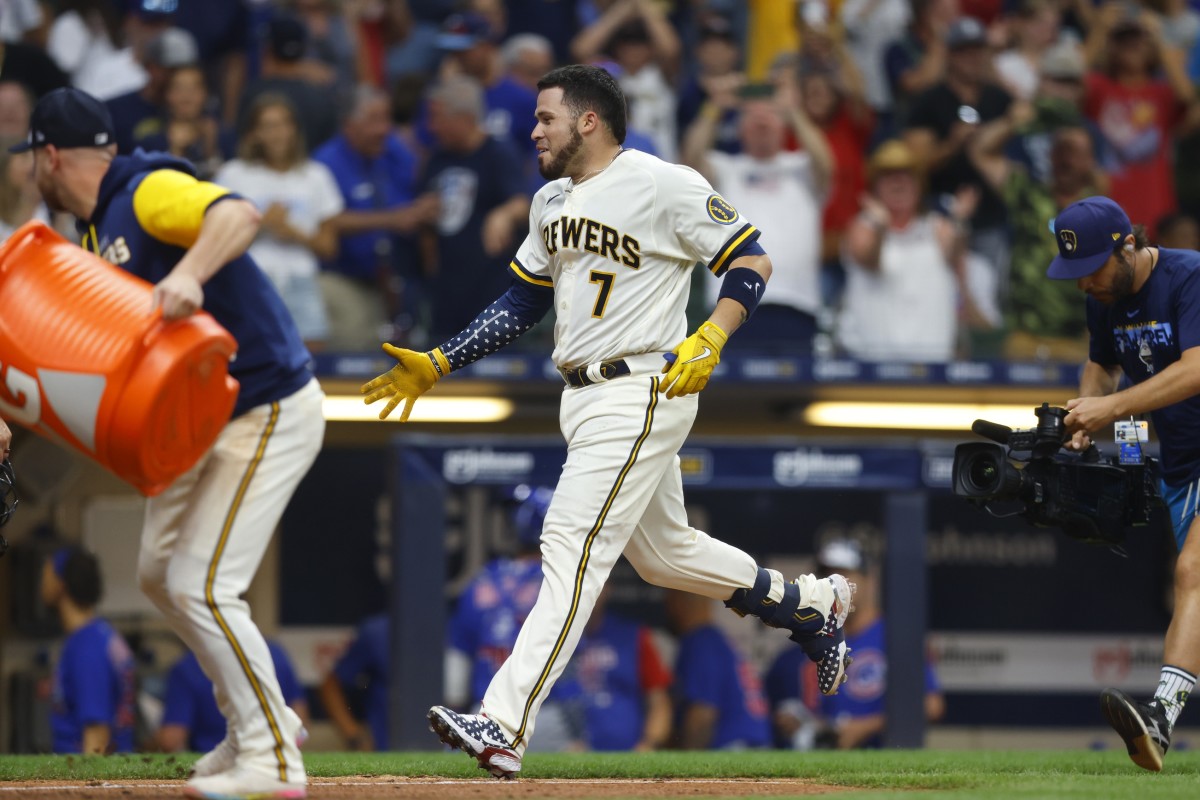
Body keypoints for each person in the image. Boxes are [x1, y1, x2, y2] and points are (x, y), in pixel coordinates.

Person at [362, 64, 855, 779]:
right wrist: (443, 359)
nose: (534, 130)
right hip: (581, 394)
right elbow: (523, 301)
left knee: (571, 543)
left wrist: (712, 335)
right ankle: (810, 605)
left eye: (546, 118)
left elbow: (751, 258)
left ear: (588, 120)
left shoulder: (661, 181)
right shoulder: (551, 200)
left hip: (644, 383)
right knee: (664, 555)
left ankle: (504, 722)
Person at [19, 87, 323, 798]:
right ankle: (257, 720)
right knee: (159, 575)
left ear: (50, 156)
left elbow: (237, 214)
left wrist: (190, 271)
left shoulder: (145, 188)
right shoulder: (90, 235)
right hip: (201, 426)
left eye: (30, 158)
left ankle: (273, 758)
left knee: (202, 584)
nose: (28, 171)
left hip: (265, 405)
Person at [1047, 195, 1200, 772]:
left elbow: (1197, 368)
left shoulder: (1189, 276)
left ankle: (1160, 718)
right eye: (1075, 272)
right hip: (1183, 468)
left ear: (1128, 246)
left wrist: (1110, 409)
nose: (1084, 283)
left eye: (1092, 268)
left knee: (1192, 571)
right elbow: (1104, 364)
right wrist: (1085, 413)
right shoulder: (1103, 301)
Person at [681, 75, 832, 354]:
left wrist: (793, 111)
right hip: (733, 303)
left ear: (783, 126)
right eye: (752, 116)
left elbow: (826, 162)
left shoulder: (802, 169)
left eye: (771, 114)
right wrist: (715, 107)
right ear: (740, 129)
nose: (762, 119)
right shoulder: (725, 168)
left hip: (797, 303)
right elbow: (690, 161)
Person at [765, 538, 944, 750]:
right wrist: (802, 723)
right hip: (822, 762)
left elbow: (931, 706)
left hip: (884, 758)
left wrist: (865, 727)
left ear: (870, 580)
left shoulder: (897, 638)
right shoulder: (801, 648)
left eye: (843, 576)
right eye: (826, 577)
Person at [216, 94, 343, 350]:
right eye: (268, 126)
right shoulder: (234, 174)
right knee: (252, 352)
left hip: (303, 279)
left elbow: (330, 247)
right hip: (253, 278)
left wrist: (294, 233)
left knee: (310, 358)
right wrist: (261, 225)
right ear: (254, 133)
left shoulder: (316, 176)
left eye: (284, 124)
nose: (277, 134)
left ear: (295, 129)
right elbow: (218, 243)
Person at [416, 75, 529, 340]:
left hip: (491, 292)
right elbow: (425, 223)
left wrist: (503, 214)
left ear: (465, 119)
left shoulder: (498, 153)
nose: (431, 127)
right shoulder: (436, 159)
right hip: (446, 293)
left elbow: (523, 203)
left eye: (437, 118)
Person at [41, 546, 136, 754]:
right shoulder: (96, 635)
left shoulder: (87, 644)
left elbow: (97, 735)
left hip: (88, 765)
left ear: (61, 583)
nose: (42, 582)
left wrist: (89, 775)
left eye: (47, 574)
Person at [663, 589, 770, 750]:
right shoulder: (716, 640)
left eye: (669, 601)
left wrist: (687, 760)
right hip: (755, 745)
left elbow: (703, 714)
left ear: (679, 602)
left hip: (734, 746)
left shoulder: (700, 641)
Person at [159, 643, 309, 755]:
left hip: (215, 756)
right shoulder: (275, 652)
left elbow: (171, 739)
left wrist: (148, 743)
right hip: (271, 753)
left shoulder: (189, 664)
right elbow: (300, 718)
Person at [572, 585, 672, 751]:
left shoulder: (634, 635)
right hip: (567, 750)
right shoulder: (549, 638)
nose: (586, 593)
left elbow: (659, 701)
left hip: (627, 752)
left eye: (593, 584)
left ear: (607, 589)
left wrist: (648, 745)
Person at [318, 612, 388, 751]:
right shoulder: (380, 631)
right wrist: (354, 736)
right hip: (388, 749)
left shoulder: (438, 624)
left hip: (434, 745)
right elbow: (331, 685)